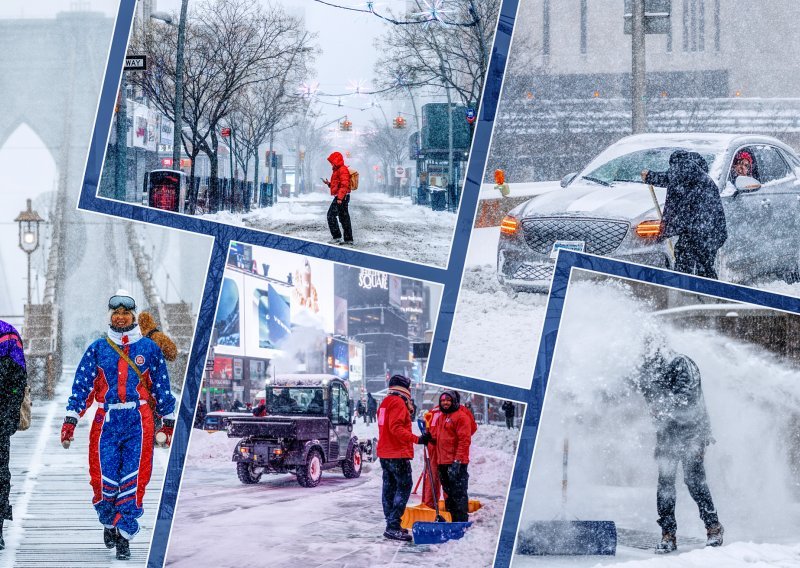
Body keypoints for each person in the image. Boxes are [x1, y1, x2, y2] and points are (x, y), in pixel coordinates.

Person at [60, 291, 176, 560]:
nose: (121, 317)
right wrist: (71, 419)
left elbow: (161, 387)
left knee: (135, 478)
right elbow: (83, 386)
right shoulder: (98, 349)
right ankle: (109, 521)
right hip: (106, 422)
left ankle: (124, 536)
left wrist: (168, 422)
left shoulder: (149, 348)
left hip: (140, 421)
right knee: (103, 477)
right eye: (116, 313)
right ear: (110, 316)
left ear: (133, 317)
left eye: (126, 313)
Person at [635, 340, 723, 554]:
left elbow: (686, 398)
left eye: (649, 348)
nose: (646, 353)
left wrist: (661, 408)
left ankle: (713, 528)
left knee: (694, 481)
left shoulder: (681, 363)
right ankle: (668, 535)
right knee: (665, 483)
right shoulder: (648, 369)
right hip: (667, 434)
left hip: (693, 432)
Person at [642, 150, 727, 279]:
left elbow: (672, 176)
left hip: (700, 230)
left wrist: (650, 176)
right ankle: (708, 294)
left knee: (684, 260)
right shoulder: (701, 179)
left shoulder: (686, 166)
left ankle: (684, 290)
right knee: (704, 267)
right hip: (712, 232)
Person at [377, 375, 431, 541]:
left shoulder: (385, 402)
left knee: (389, 488)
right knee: (404, 486)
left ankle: (391, 523)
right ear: (404, 388)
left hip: (385, 452)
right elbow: (396, 428)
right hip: (397, 453)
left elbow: (384, 426)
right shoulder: (398, 402)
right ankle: (393, 525)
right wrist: (417, 439)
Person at [0, 320, 27, 550]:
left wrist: (8, 415)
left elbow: (18, 380)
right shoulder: (8, 335)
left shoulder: (7, 335)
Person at [431, 390, 476, 523]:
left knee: (458, 494)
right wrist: (430, 438)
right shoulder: (441, 418)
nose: (445, 403)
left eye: (448, 400)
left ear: (454, 401)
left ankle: (461, 521)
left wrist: (457, 461)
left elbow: (464, 441)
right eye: (443, 400)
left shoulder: (461, 417)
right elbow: (441, 438)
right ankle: (452, 520)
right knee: (449, 495)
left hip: (456, 463)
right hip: (443, 462)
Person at [323, 151, 354, 245]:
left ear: (336, 160)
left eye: (332, 161)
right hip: (342, 196)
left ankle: (337, 237)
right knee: (343, 218)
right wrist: (329, 184)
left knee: (331, 215)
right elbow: (338, 184)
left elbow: (344, 185)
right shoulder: (337, 170)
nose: (331, 163)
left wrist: (340, 198)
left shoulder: (342, 169)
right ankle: (348, 239)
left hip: (342, 197)